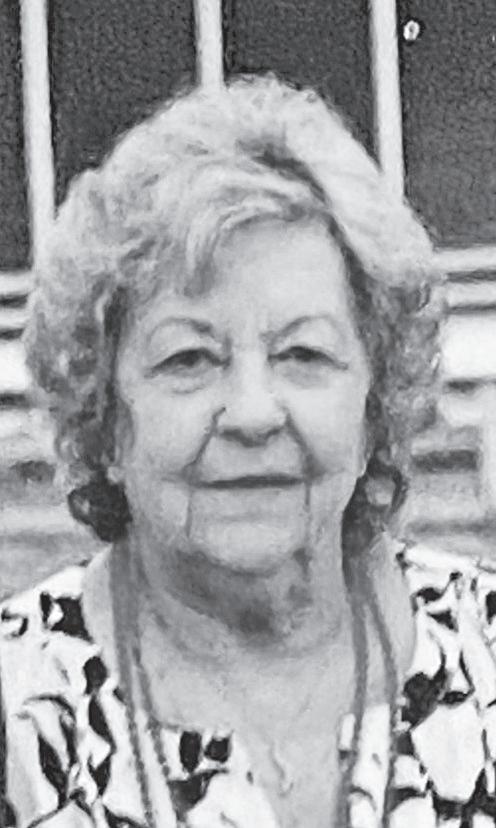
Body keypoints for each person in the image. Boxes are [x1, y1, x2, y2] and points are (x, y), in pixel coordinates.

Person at [1, 73, 496, 828]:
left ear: (375, 402)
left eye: (303, 354)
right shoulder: (18, 712)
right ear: (103, 418)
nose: (254, 413)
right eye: (189, 359)